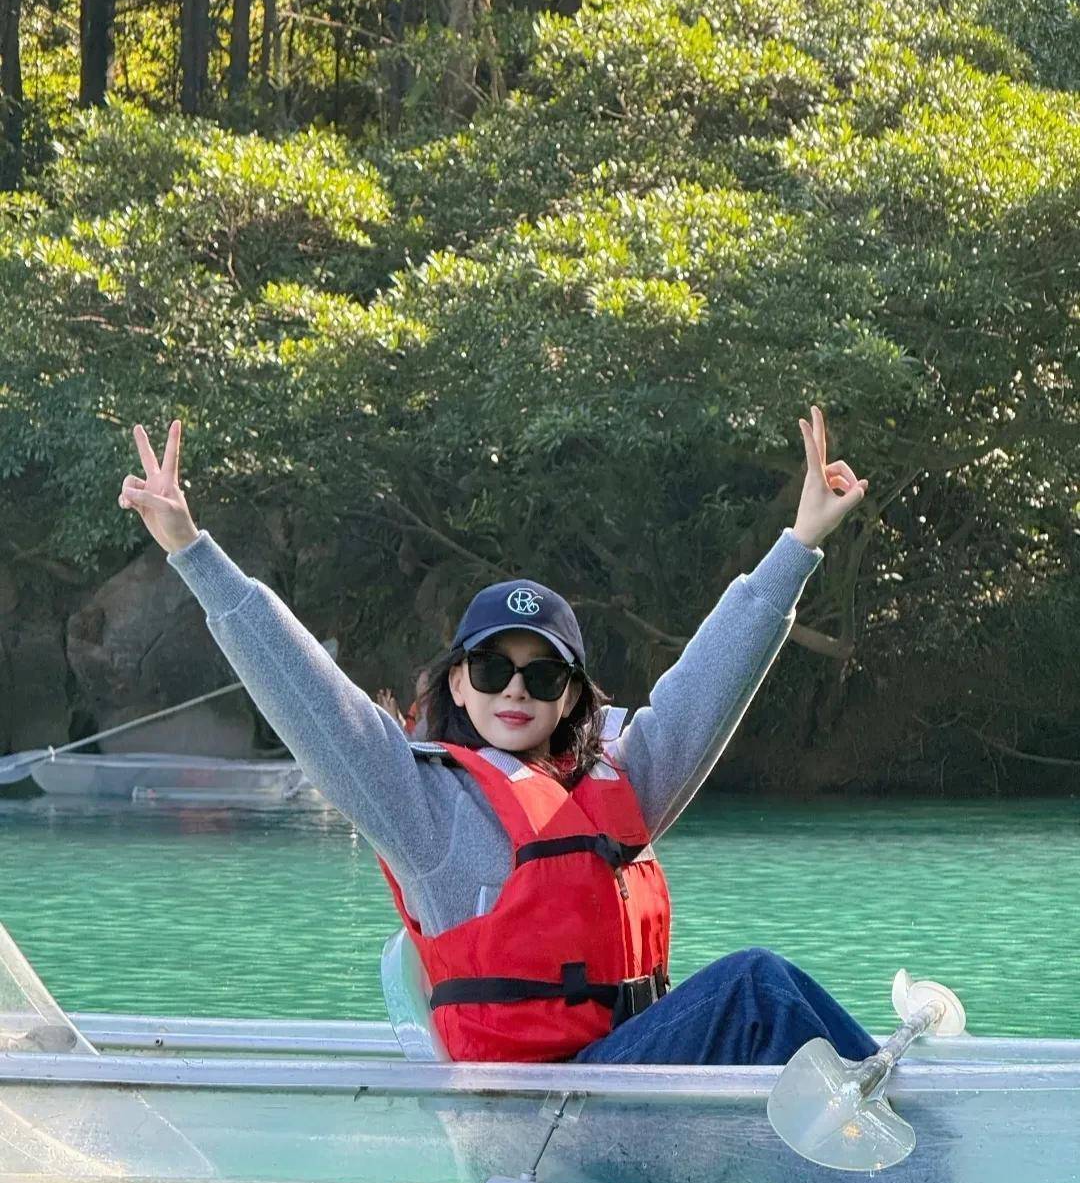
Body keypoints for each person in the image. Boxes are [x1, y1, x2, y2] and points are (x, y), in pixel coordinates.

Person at [118, 406, 874, 1070]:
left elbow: (707, 688)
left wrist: (801, 542)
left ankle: (893, 1139)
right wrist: (192, 552)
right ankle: (914, 1157)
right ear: (457, 683)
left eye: (542, 676)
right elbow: (307, 693)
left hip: (631, 1087)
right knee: (756, 989)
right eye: (491, 668)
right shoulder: (417, 805)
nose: (515, 689)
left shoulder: (621, 784)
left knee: (778, 1014)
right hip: (538, 1112)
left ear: (570, 696)